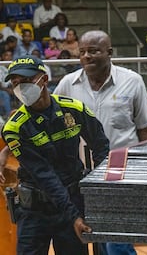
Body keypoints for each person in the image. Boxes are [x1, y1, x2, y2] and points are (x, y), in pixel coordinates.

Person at [54, 30, 147, 255]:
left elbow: (146, 132)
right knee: (97, 238)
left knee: (116, 242)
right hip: (80, 174)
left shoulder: (132, 81)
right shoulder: (67, 84)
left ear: (109, 53)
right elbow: (50, 123)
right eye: (82, 52)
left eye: (93, 51)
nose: (86, 57)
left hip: (120, 173)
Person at [1, 55, 110, 254]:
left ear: (43, 79)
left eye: (26, 81)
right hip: (34, 209)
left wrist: (98, 190)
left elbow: (101, 146)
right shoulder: (14, 128)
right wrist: (74, 216)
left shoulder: (74, 109)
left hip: (74, 197)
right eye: (15, 83)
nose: (20, 88)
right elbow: (43, 175)